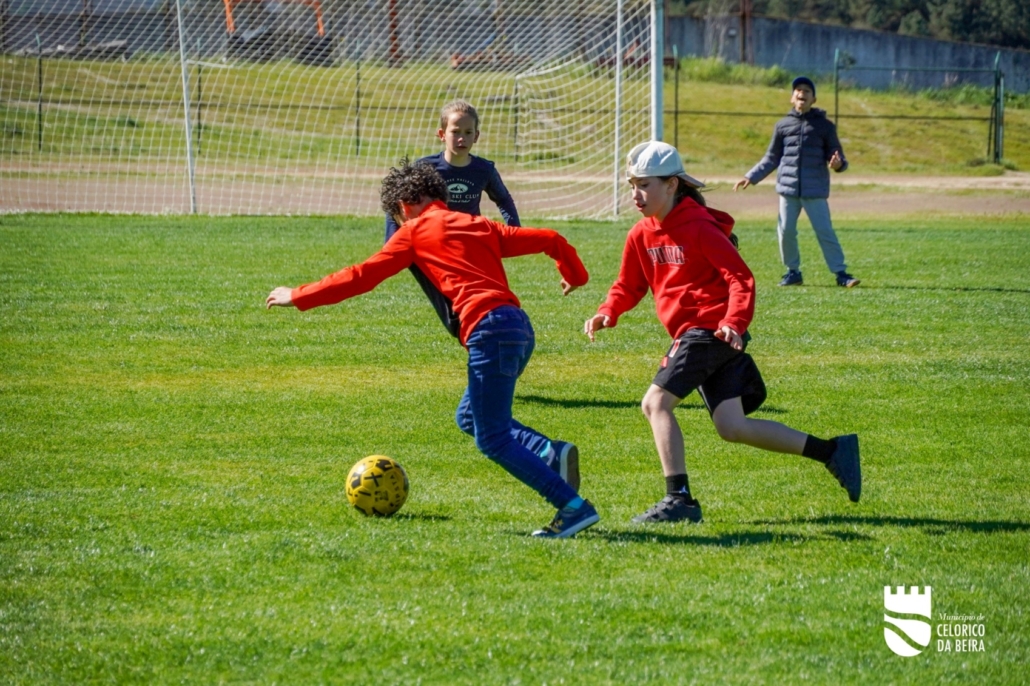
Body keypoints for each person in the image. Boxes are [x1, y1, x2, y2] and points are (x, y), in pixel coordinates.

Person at [267, 159, 598, 538]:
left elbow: (360, 276)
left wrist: (298, 294)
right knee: (470, 417)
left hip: (489, 331)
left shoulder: (414, 232)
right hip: (519, 329)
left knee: (492, 438)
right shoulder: (480, 225)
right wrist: (576, 276)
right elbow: (551, 239)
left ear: (405, 207)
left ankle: (572, 507)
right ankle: (547, 453)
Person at [584, 141, 861, 524]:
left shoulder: (697, 226)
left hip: (710, 329)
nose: (636, 194)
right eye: (632, 185)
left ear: (673, 185)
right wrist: (606, 312)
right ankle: (831, 451)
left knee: (655, 404)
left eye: (645, 185)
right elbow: (628, 285)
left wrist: (733, 321)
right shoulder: (640, 234)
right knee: (732, 426)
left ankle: (678, 499)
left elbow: (740, 277)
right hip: (704, 333)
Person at [384, 100, 521, 338]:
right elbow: (397, 201)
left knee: (484, 298)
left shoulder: (483, 170)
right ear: (441, 134)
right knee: (453, 302)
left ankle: (482, 331)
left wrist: (515, 230)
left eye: (468, 133)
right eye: (455, 132)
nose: (461, 138)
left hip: (470, 243)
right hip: (435, 245)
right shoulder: (426, 168)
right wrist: (392, 240)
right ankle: (473, 331)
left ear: (476, 136)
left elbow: (504, 199)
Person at [734, 76, 860, 288]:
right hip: (788, 190)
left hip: (815, 191)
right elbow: (771, 158)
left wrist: (837, 164)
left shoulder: (825, 127)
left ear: (814, 99)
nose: (802, 93)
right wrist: (750, 177)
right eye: (798, 90)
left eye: (806, 91)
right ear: (792, 98)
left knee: (825, 231)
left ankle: (841, 274)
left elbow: (839, 159)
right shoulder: (783, 126)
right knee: (785, 231)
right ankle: (793, 272)